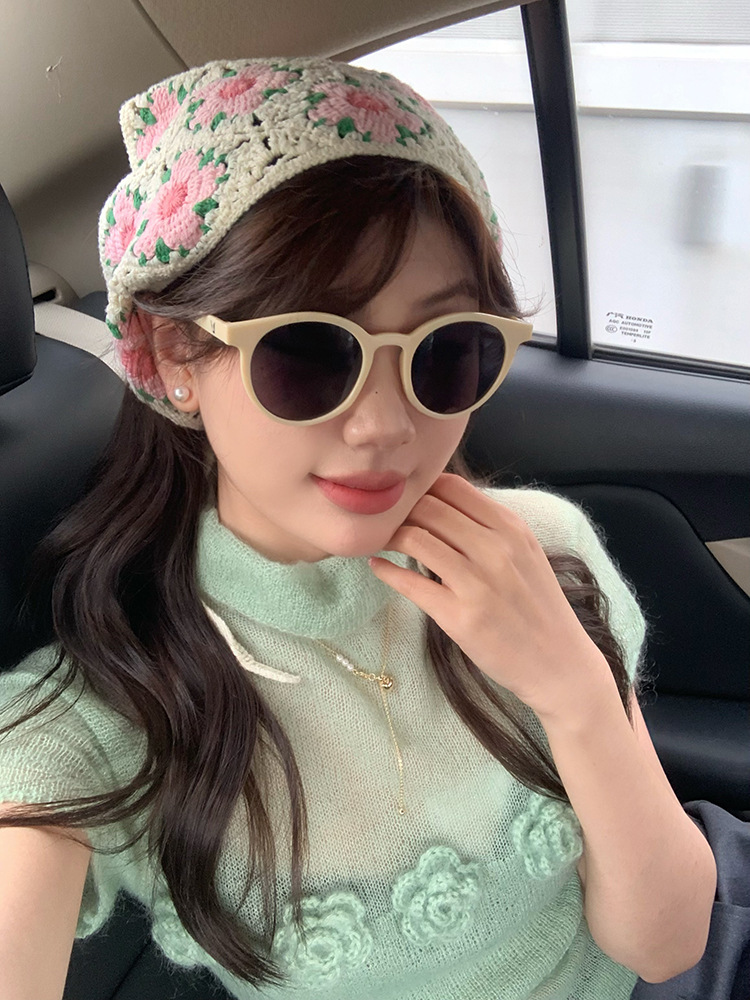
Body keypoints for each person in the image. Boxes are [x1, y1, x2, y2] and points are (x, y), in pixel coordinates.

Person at [0, 57, 720, 1000]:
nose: (384, 425)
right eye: (308, 351)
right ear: (176, 355)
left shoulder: (539, 552)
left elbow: (665, 945)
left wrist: (573, 691)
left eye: (446, 350)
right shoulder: (118, 701)